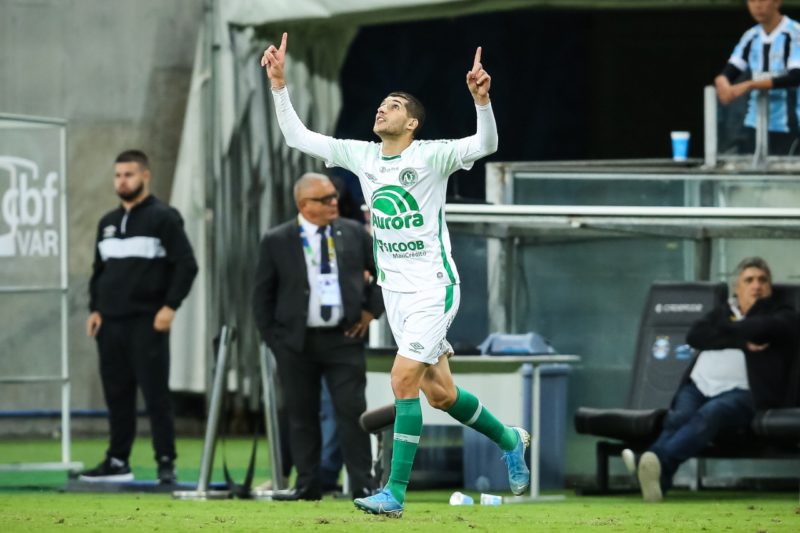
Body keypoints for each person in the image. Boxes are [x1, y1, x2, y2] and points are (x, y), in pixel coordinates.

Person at [262, 33, 530, 517]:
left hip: (433, 288)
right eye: (382, 104)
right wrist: (279, 85)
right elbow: (298, 138)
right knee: (441, 393)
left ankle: (395, 493)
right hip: (396, 294)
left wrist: (482, 101)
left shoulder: (432, 155)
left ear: (412, 123)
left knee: (402, 380)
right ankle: (510, 439)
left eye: (394, 105)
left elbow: (487, 143)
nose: (383, 109)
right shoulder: (363, 156)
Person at [253, 172, 384, 501]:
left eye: (334, 196)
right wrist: (276, 340)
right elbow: (261, 296)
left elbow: (385, 273)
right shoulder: (277, 239)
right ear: (303, 205)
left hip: (344, 337)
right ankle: (307, 484)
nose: (333, 203)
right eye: (324, 199)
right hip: (296, 342)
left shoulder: (353, 233)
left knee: (352, 411)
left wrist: (371, 311)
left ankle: (362, 484)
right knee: (301, 414)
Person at [623, 257, 798, 502]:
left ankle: (652, 461)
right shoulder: (722, 312)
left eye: (762, 280)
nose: (756, 286)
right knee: (678, 417)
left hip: (744, 393)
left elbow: (765, 328)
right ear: (738, 288)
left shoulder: (783, 314)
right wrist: (740, 341)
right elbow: (696, 335)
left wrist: (725, 331)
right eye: (749, 280)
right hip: (699, 385)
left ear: (769, 287)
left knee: (711, 414)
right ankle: (658, 482)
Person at [80, 150, 198, 484]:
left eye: (129, 174)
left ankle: (165, 462)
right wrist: (95, 309)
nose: (122, 181)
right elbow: (99, 272)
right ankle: (117, 461)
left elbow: (187, 265)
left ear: (145, 175)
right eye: (118, 175)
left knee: (155, 395)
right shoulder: (107, 223)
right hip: (110, 325)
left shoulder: (164, 218)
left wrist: (169, 306)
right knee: (117, 395)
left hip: (147, 322)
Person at [714, 0, 800, 155]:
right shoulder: (751, 36)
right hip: (754, 124)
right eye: (752, 0)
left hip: (790, 125)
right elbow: (730, 71)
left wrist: (750, 85)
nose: (758, 5)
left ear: (777, 2)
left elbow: (796, 76)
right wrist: (722, 82)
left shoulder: (795, 32)